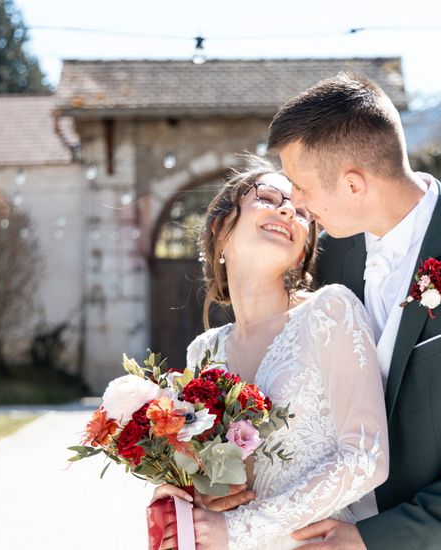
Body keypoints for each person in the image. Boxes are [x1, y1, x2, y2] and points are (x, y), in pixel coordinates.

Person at [206, 73, 441, 549]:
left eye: (301, 187)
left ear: (353, 185)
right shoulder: (333, 258)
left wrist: (378, 540)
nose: (298, 206)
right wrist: (187, 478)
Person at [154, 159, 389, 550]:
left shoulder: (330, 312)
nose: (287, 210)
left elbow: (366, 455)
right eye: (267, 197)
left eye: (301, 212)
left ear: (301, 254)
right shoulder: (203, 352)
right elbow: (209, 483)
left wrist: (241, 530)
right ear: (221, 228)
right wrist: (181, 499)